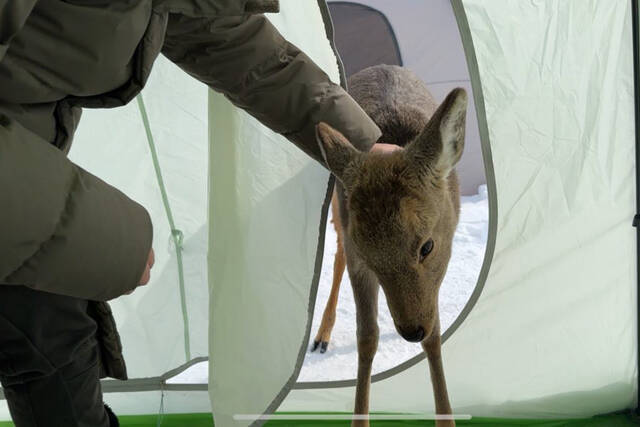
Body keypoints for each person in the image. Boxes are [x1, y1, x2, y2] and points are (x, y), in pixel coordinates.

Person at [0, 1, 399, 425]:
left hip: (29, 174)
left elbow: (226, 40)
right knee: (49, 331)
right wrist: (107, 238)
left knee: (51, 338)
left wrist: (356, 145)